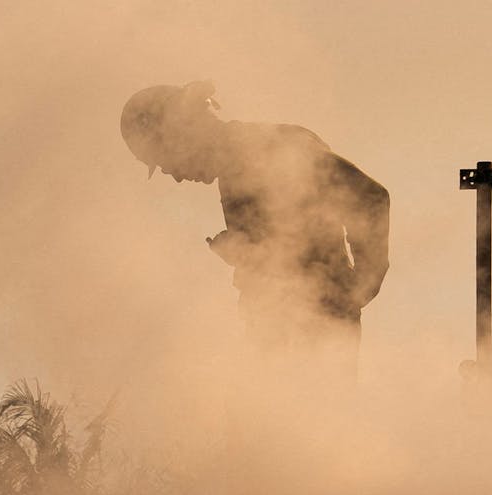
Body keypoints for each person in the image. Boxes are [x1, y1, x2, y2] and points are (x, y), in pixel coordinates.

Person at [121, 82, 390, 368]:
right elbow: (292, 244)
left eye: (165, 160)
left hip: (309, 346)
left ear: (180, 134)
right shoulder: (238, 165)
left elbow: (370, 195)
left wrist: (361, 285)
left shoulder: (268, 148)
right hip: (282, 342)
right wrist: (249, 253)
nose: (174, 175)